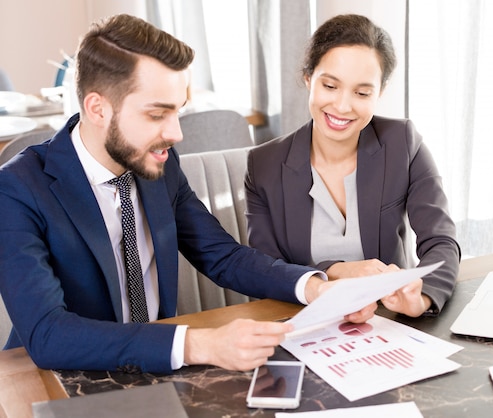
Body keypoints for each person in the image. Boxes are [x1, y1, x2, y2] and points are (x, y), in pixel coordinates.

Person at [0, 14, 375, 374]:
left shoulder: (159, 164)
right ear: (97, 108)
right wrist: (200, 345)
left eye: (178, 111)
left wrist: (315, 288)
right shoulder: (16, 190)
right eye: (156, 114)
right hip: (56, 381)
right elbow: (48, 333)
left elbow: (223, 257)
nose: (176, 133)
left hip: (158, 371)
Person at [245, 14, 461, 318]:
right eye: (330, 86)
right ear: (309, 78)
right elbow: (263, 271)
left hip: (386, 321)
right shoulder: (264, 165)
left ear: (380, 92)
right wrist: (335, 272)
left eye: (362, 93)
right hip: (304, 322)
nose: (343, 106)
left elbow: (441, 241)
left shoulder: (402, 144)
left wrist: (422, 295)